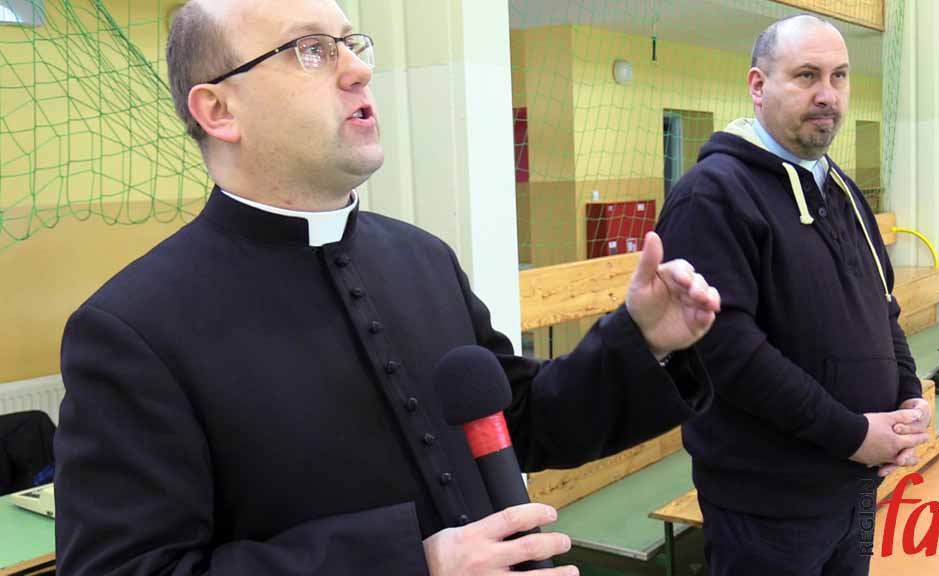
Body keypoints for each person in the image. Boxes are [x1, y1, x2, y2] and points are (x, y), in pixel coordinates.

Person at [53, 1, 722, 574]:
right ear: (220, 110)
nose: (358, 69)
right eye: (311, 51)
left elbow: (521, 420)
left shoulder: (422, 257)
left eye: (351, 43)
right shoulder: (131, 329)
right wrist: (410, 563)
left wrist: (643, 341)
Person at [655, 15, 931, 576]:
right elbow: (728, 354)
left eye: (839, 76)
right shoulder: (712, 195)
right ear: (758, 86)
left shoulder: (841, 189)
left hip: (854, 487)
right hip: (768, 506)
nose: (827, 94)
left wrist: (907, 400)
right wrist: (854, 435)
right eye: (807, 75)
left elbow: (884, 309)